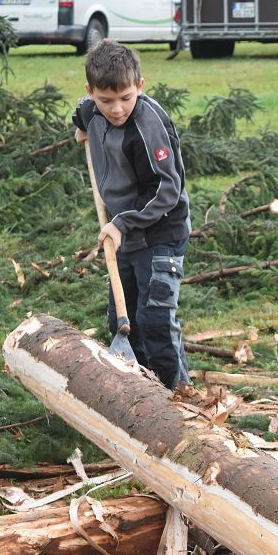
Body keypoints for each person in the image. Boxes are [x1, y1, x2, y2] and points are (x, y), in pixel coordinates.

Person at [73, 40, 191, 390]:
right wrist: (80, 127)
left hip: (159, 232)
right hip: (122, 234)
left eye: (126, 98)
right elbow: (80, 113)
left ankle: (178, 398)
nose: (117, 109)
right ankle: (140, 396)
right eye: (105, 100)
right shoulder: (90, 109)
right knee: (123, 321)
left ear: (140, 85)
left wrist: (122, 222)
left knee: (154, 320)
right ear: (91, 91)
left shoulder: (147, 125)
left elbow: (166, 188)